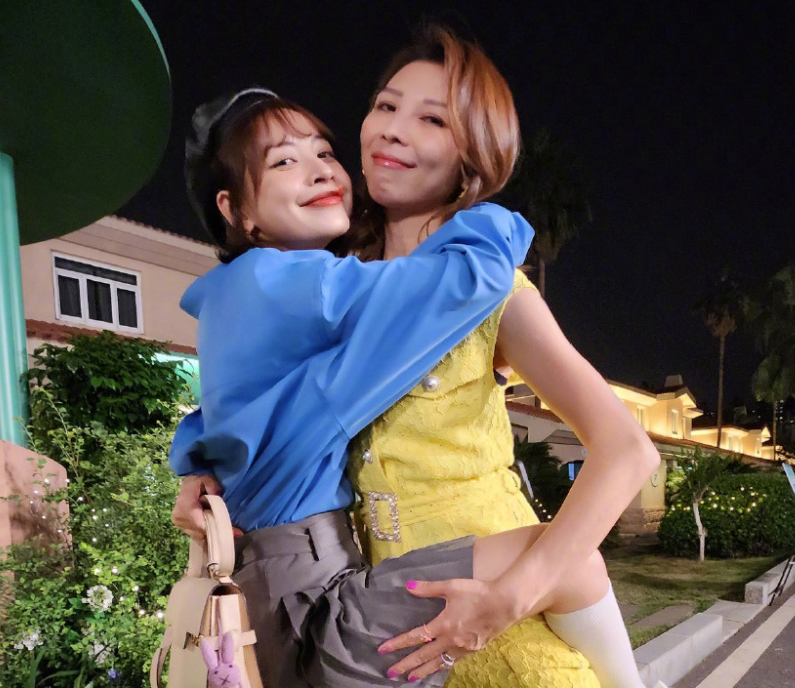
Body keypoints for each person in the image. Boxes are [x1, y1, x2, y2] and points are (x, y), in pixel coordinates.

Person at [170, 88, 663, 688]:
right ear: (235, 210)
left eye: (323, 152)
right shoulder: (293, 283)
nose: (320, 170)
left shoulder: (245, 297)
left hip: (296, 588)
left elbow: (228, 409)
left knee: (570, 562)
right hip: (315, 608)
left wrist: (193, 464)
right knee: (571, 562)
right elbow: (458, 281)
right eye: (283, 161)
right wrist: (492, 218)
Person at [337, 26, 666, 688]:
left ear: (472, 158)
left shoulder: (490, 293)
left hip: (510, 634)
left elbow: (628, 450)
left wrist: (506, 602)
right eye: (386, 105)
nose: (393, 129)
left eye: (432, 119)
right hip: (400, 628)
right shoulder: (340, 290)